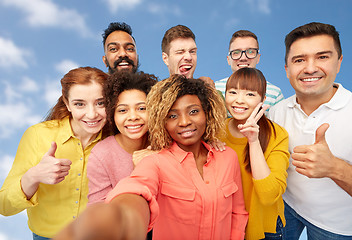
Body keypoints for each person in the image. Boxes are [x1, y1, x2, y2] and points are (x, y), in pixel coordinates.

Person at [54, 75, 249, 240]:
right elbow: (136, 191)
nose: (184, 122)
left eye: (194, 111)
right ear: (161, 121)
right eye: (172, 116)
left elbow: (237, 213)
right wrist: (117, 219)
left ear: (208, 114)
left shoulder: (228, 157)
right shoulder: (155, 161)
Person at [268, 22, 352, 239]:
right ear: (287, 69)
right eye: (299, 60)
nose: (310, 68)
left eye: (322, 57)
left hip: (337, 228)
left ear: (339, 62)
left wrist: (335, 168)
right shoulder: (276, 111)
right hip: (286, 208)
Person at [0, 67, 109, 240]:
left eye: (100, 103)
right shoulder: (38, 135)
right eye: (80, 104)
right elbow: (4, 206)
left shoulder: (116, 141)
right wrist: (33, 176)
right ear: (67, 103)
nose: (92, 114)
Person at [222, 67, 289, 240]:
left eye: (250, 94)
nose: (239, 100)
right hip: (225, 224)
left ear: (263, 100)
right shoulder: (216, 131)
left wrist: (253, 141)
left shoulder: (277, 135)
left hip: (264, 228)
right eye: (233, 92)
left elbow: (269, 196)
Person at [87, 71, 157, 204]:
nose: (133, 116)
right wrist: (138, 174)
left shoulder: (165, 144)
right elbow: (99, 210)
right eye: (122, 110)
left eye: (142, 108)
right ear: (112, 115)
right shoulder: (101, 155)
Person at [215, 30, 284, 107]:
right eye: (236, 52)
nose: (243, 58)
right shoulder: (214, 89)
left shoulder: (275, 94)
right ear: (228, 59)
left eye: (250, 52)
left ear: (258, 58)